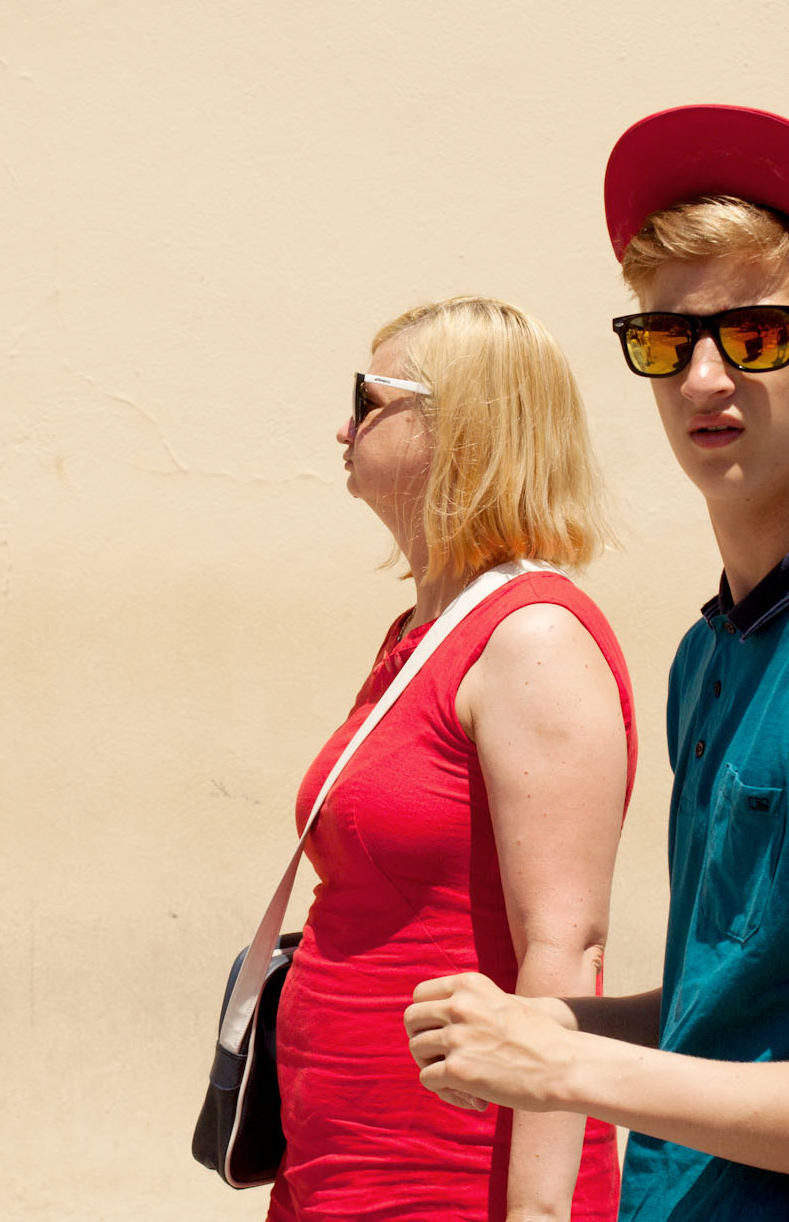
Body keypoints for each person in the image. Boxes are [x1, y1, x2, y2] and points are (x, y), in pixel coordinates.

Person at [404, 106, 789, 1221]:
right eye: (665, 337)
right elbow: (740, 1015)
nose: (701, 377)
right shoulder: (715, 647)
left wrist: (569, 1066)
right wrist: (542, 1025)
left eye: (755, 333)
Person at [269, 295, 638, 1222]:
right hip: (341, 1168)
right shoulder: (421, 630)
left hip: (452, 1175)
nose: (344, 426)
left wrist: (538, 1212)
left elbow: (565, 944)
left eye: (368, 398)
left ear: (459, 425)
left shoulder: (533, 637)